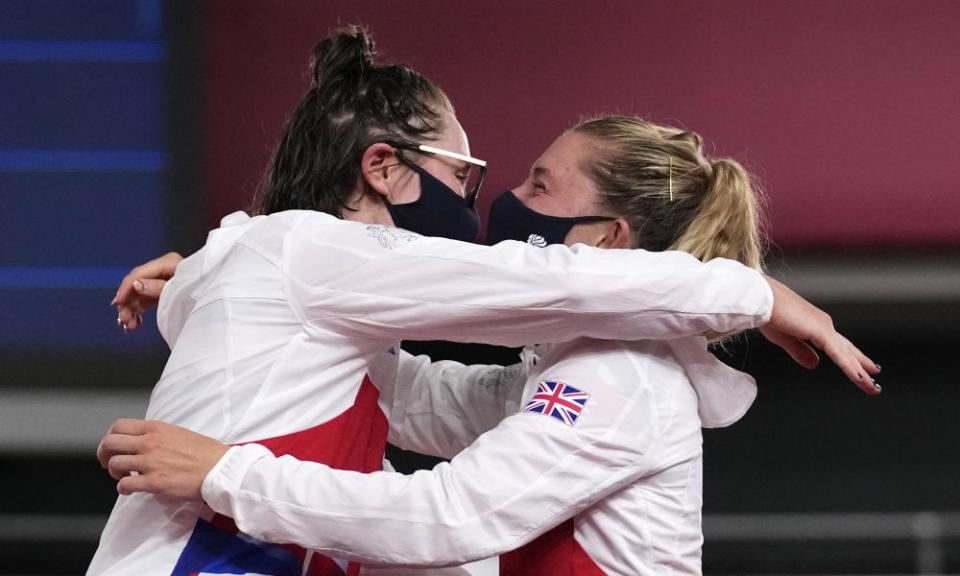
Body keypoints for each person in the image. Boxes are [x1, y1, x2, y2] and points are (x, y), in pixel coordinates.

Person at [93, 26, 878, 576]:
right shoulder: (307, 253)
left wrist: (228, 468)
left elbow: (446, 514)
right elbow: (418, 393)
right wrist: (213, 274)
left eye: (538, 185)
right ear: (378, 166)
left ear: (610, 240)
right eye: (468, 171)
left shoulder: (624, 375)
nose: (497, 202)